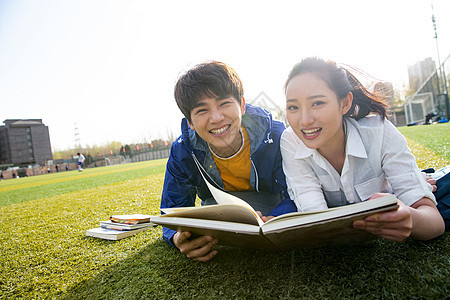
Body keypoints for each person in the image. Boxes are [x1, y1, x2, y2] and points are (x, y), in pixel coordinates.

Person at [280, 57, 445, 242]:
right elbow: (315, 216)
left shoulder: (379, 131)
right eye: (293, 107)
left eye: (317, 103)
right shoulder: (290, 140)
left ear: (345, 103)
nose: (304, 120)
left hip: (395, 191)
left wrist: (411, 217)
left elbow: (435, 222)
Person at [160, 61, 296, 262]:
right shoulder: (183, 151)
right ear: (190, 122)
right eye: (202, 111)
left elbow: (298, 192)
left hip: (271, 207)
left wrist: (278, 217)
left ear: (241, 105)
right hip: (218, 213)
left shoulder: (276, 136)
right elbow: (172, 209)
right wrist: (177, 237)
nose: (216, 118)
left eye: (224, 104)